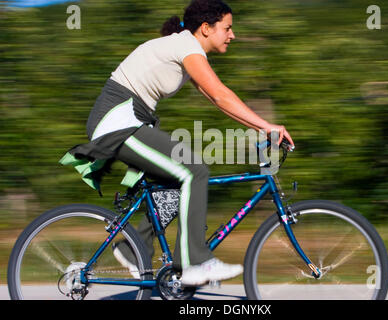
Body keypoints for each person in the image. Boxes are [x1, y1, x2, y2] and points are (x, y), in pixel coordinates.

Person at [60, 0, 294, 286]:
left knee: (176, 181)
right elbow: (221, 95)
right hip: (118, 121)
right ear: (206, 28)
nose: (232, 35)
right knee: (194, 169)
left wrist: (261, 129)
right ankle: (195, 262)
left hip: (129, 120)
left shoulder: (187, 50)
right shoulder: (187, 47)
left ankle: (134, 250)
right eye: (228, 28)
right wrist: (268, 125)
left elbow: (219, 102)